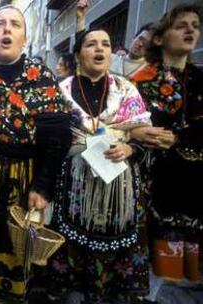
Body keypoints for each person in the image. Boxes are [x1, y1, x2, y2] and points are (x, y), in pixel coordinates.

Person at [0, 5, 71, 303]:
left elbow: (59, 135)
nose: (6, 29)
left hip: (25, 177)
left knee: (18, 244)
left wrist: (43, 184)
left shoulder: (41, 77)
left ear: (25, 37)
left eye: (14, 24)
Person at [49, 28, 151, 303]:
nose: (100, 49)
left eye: (105, 44)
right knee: (70, 247)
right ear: (79, 54)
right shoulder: (60, 92)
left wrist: (129, 147)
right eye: (91, 44)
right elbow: (50, 137)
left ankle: (102, 293)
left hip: (117, 188)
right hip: (72, 187)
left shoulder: (126, 89)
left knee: (109, 255)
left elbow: (142, 133)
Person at [131, 4, 203, 284]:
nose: (190, 30)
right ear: (159, 38)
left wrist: (179, 137)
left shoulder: (200, 79)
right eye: (180, 25)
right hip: (155, 185)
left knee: (189, 273)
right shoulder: (137, 83)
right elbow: (120, 124)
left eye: (195, 26)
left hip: (194, 185)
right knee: (157, 268)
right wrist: (136, 133)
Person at [76, 0, 153, 78]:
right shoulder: (111, 59)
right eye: (140, 38)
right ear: (133, 38)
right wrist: (80, 20)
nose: (140, 44)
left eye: (146, 44)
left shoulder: (149, 71)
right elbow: (82, 50)